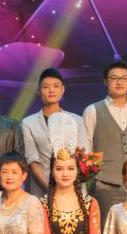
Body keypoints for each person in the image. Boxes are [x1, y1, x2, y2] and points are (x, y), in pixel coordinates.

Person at [83, 62, 127, 220]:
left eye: (124, 78)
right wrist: (100, 174)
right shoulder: (92, 110)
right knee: (108, 231)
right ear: (105, 81)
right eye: (114, 78)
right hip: (105, 185)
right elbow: (87, 149)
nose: (119, 82)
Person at [21, 69, 90, 197]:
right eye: (46, 87)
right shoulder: (28, 123)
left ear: (63, 89)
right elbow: (32, 161)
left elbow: (84, 157)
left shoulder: (77, 120)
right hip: (42, 193)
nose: (51, 90)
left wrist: (69, 188)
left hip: (74, 193)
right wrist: (52, 191)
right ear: (38, 91)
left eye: (56, 86)